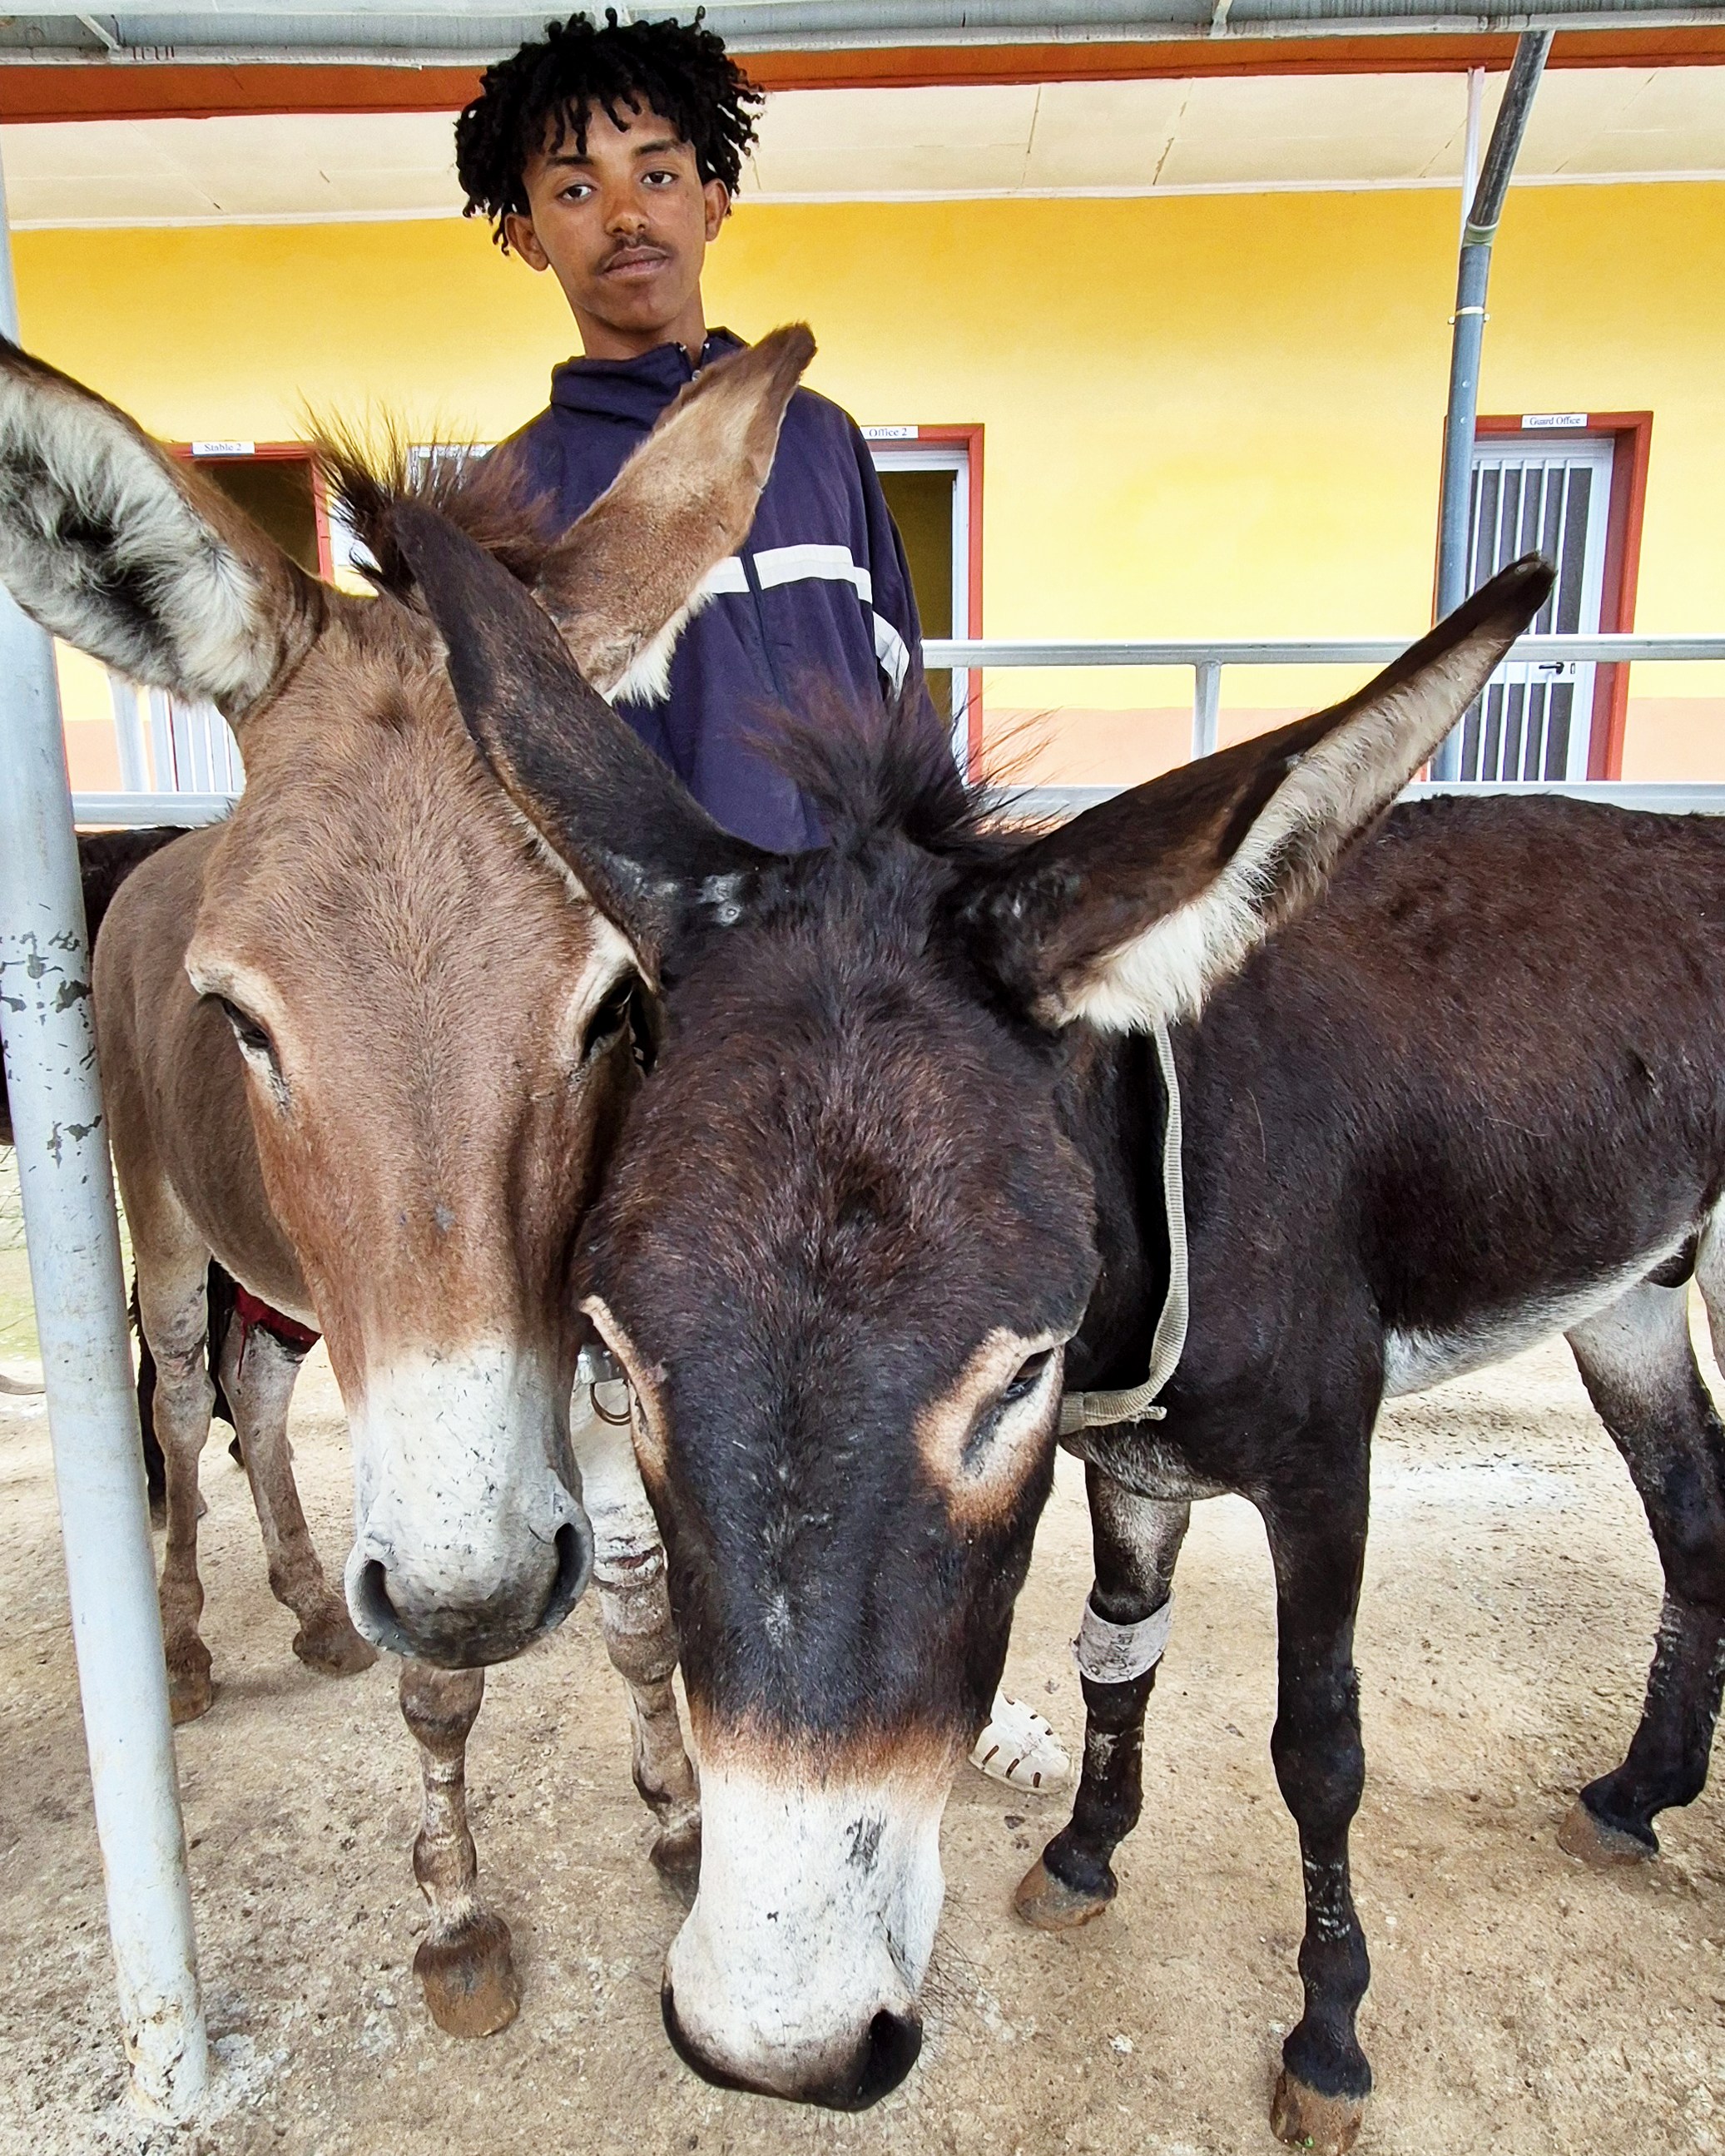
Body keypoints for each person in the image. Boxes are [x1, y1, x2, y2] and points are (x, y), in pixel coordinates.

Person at [455, 11, 1068, 1793]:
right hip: (670, 1004)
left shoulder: (820, 443)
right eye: (573, 187)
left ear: (714, 194)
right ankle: (677, 1707)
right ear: (526, 234)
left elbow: (899, 700)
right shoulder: (521, 497)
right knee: (694, 1386)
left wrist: (941, 933)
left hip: (863, 980)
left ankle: (932, 1689)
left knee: (901, 1372)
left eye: (657, 172)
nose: (621, 214)